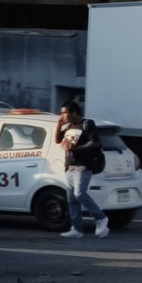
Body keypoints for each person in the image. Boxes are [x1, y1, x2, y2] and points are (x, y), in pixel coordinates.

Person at [56, 100, 109, 238]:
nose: (62, 115)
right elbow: (57, 140)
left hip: (83, 165)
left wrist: (76, 148)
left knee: (80, 194)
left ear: (73, 113)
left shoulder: (87, 124)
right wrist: (59, 125)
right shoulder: (67, 126)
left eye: (64, 113)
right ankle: (77, 229)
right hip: (69, 166)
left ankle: (101, 218)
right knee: (72, 199)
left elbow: (95, 143)